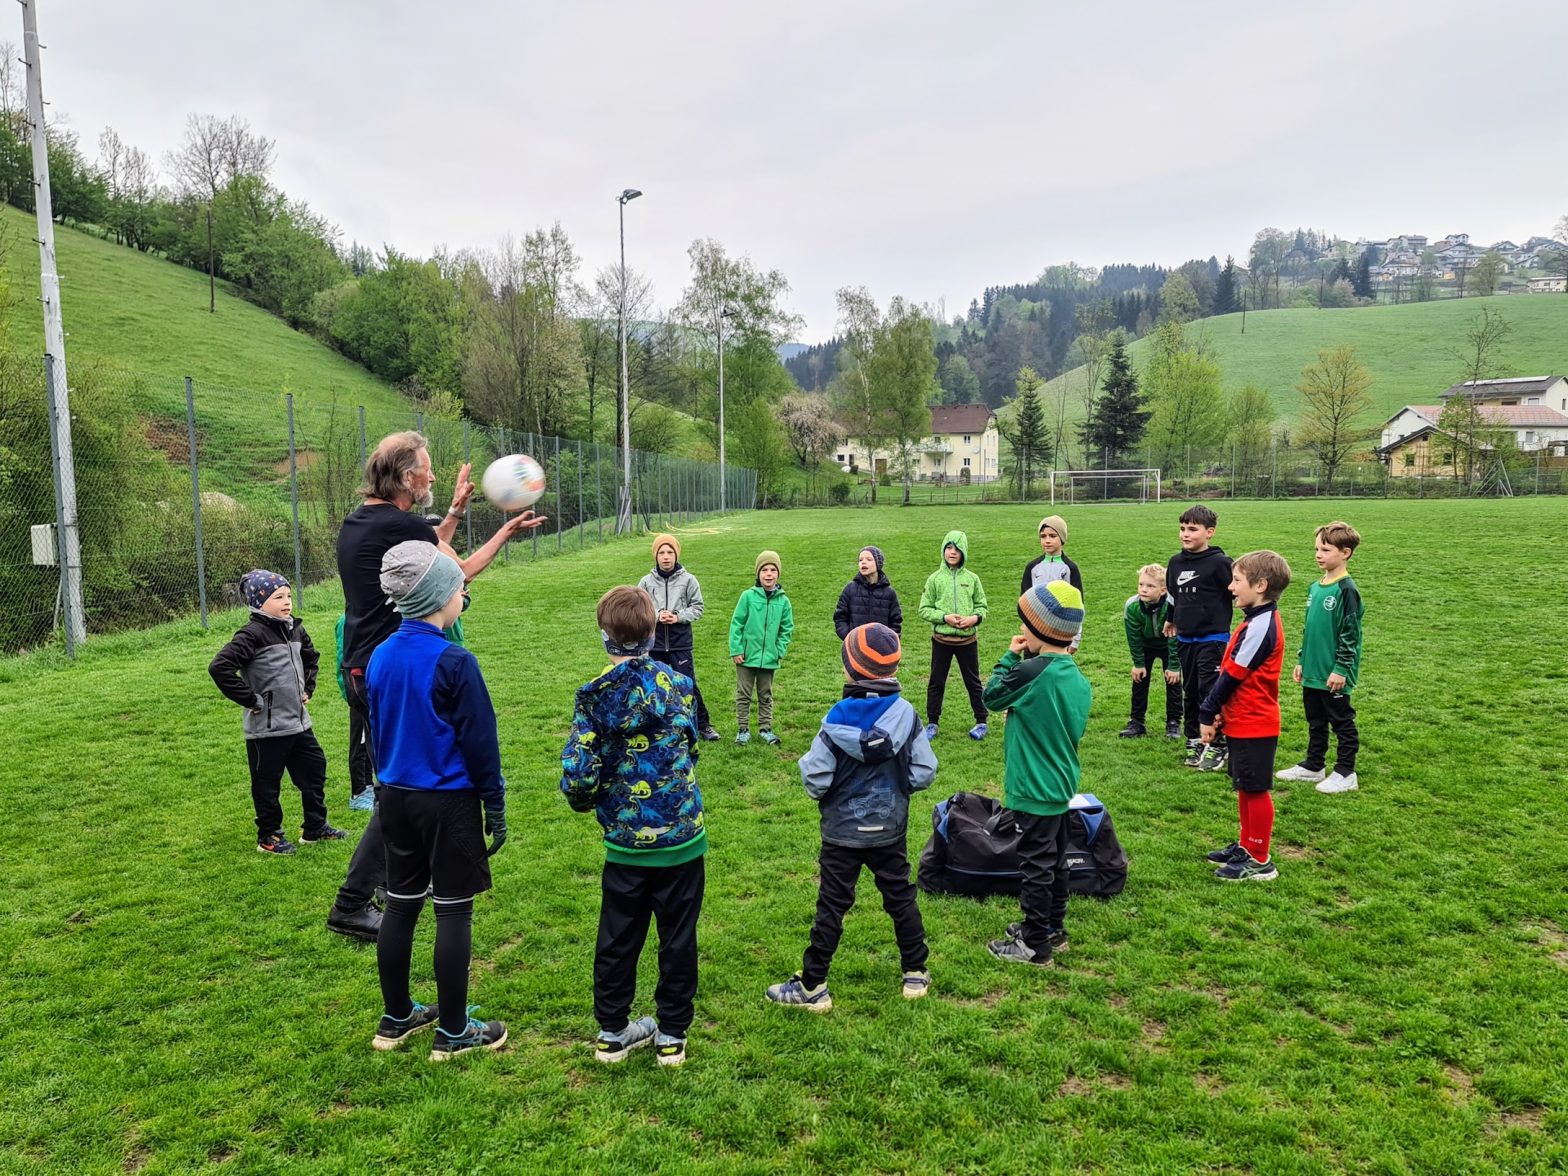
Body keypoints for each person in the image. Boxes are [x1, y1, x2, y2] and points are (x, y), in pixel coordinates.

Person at [328, 431, 544, 942]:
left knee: (401, 786)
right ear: (406, 478)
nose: (432, 473)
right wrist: (503, 533)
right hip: (395, 671)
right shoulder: (401, 526)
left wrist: (452, 514)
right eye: (426, 467)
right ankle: (355, 901)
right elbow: (456, 570)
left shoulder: (363, 520)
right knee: (401, 791)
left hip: (368, 666)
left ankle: (392, 885)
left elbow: (427, 545)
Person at [366, 542, 509, 1059]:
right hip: (447, 801)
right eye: (457, 586)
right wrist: (493, 803)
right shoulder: (455, 661)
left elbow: (376, 729)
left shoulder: (381, 654)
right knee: (453, 910)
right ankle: (453, 1031)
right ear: (436, 596)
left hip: (395, 799)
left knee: (400, 907)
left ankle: (396, 1016)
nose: (462, 593)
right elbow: (480, 741)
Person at [561, 586, 706, 1068]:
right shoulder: (679, 686)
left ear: (605, 636)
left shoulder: (592, 701)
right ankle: (670, 1035)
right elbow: (691, 747)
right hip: (682, 839)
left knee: (618, 937)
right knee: (678, 937)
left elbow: (578, 775)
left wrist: (588, 802)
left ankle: (613, 1030)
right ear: (653, 632)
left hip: (630, 847)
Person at [766, 623, 935, 1011]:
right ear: (892, 670)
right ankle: (915, 971)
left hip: (842, 831)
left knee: (832, 904)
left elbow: (816, 777)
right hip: (890, 828)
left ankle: (813, 985)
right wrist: (898, 787)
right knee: (900, 896)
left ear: (850, 669)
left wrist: (829, 794)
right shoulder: (906, 715)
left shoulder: (835, 718)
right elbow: (923, 771)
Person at [981, 581, 1091, 966]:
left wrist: (1009, 658)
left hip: (1033, 786)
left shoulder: (1031, 670)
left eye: (1025, 624)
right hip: (1060, 784)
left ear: (1041, 629)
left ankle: (1033, 944)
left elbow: (991, 696)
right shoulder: (1075, 676)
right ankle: (1051, 928)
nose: (1021, 631)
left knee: (1036, 866)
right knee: (1056, 860)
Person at [208, 570, 344, 854]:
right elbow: (219, 667)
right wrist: (252, 700)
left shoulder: (294, 628)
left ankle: (315, 827)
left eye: (289, 596)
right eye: (278, 597)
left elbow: (311, 657)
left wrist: (308, 688)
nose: (286, 602)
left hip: (299, 723)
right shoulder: (251, 635)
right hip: (266, 727)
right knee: (267, 784)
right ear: (258, 602)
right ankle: (269, 836)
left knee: (314, 770)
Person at [1199, 551, 1291, 883]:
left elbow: (1234, 674)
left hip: (1256, 721)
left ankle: (1260, 859)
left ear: (1261, 585)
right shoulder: (1254, 619)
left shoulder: (1263, 623)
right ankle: (1247, 845)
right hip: (1241, 718)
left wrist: (1208, 710)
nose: (1230, 586)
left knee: (1255, 789)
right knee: (1244, 787)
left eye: (1237, 580)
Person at [1278, 521, 1365, 795]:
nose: (1318, 554)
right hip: (1314, 669)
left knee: (1342, 722)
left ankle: (1345, 772)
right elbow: (1310, 628)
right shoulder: (1315, 587)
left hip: (1334, 672)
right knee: (1315, 720)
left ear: (1345, 552)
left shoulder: (1346, 590)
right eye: (1316, 548)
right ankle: (1314, 765)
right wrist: (1303, 659)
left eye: (1325, 549)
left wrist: (1341, 668)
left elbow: (1350, 633)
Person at [1164, 505, 1234, 772]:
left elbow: (1237, 589)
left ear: (1210, 533)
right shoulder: (1175, 562)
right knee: (1190, 692)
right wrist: (1171, 618)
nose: (1185, 534)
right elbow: (1173, 595)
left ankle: (1218, 743)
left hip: (1213, 638)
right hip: (1186, 639)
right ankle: (1194, 739)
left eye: (1192, 529)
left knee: (1210, 691)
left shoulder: (1220, 563)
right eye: (1182, 529)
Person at [638, 533, 720, 742]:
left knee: (687, 684)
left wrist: (678, 617)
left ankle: (703, 725)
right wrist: (657, 616)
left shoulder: (688, 580)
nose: (666, 557)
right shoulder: (646, 582)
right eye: (662, 553)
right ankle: (655, 727)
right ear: (655, 556)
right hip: (654, 644)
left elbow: (698, 607)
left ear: (676, 554)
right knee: (654, 685)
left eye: (670, 552)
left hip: (679, 643)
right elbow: (640, 608)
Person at [917, 530, 990, 741]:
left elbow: (982, 606)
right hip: (941, 641)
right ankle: (932, 723)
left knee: (973, 681)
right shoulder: (934, 579)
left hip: (968, 641)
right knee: (936, 681)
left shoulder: (973, 579)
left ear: (964, 552)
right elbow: (924, 609)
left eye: (957, 549)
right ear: (943, 550)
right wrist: (944, 617)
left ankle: (981, 721)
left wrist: (974, 619)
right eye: (949, 548)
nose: (952, 552)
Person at [729, 550, 794, 746]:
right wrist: (736, 649)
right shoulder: (747, 597)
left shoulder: (783, 601)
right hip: (746, 657)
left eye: (773, 570)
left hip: (769, 659)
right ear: (758, 573)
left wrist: (778, 650)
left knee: (766, 694)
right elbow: (736, 624)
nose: (768, 574)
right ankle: (743, 729)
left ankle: (766, 728)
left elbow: (786, 629)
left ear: (778, 574)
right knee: (744, 694)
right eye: (764, 570)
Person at [1121, 563, 1182, 739]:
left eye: (1150, 586)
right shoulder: (1132, 606)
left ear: (1163, 590)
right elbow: (1134, 638)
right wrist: (1138, 664)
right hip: (1146, 645)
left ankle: (1173, 722)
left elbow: (1174, 637)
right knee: (1139, 679)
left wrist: (1173, 665)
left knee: (1173, 680)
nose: (1144, 589)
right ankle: (1137, 722)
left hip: (1167, 644)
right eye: (1141, 584)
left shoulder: (1172, 605)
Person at [1020, 514, 1083, 651]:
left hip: (1059, 637)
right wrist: (1027, 633)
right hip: (1035, 636)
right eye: (1043, 536)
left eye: (1052, 536)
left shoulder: (1070, 568)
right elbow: (1024, 602)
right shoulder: (1032, 567)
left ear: (1062, 538)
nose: (1047, 540)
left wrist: (1075, 641)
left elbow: (1077, 605)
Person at [833, 545, 903, 639]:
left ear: (878, 564)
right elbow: (840, 618)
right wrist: (849, 638)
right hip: (855, 648)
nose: (863, 562)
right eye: (860, 560)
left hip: (880, 648)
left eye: (869, 559)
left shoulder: (889, 593)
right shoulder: (850, 589)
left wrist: (888, 641)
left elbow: (895, 622)